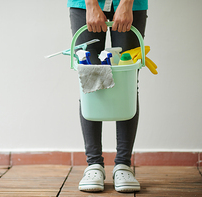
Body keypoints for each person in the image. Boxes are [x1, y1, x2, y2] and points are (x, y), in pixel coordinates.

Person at [67, 0, 148, 193]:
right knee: (90, 79)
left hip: (132, 4)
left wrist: (127, 3)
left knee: (126, 82)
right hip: (84, 4)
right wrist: (90, 4)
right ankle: (94, 165)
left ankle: (123, 166)